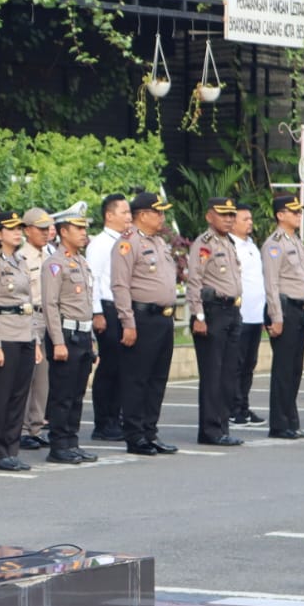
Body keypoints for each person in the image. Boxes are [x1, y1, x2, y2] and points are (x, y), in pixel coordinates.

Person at [110, 192, 179, 456]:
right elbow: (120, 284)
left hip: (163, 318)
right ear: (142, 215)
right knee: (136, 379)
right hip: (141, 318)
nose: (162, 217)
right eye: (157, 212)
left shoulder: (159, 242)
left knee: (157, 379)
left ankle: (150, 431)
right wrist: (128, 322)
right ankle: (135, 434)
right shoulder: (128, 243)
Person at [0, 211, 38, 471]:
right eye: (11, 228)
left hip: (24, 334)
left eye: (19, 228)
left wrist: (34, 339)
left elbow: (28, 303)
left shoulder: (20, 261)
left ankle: (12, 449)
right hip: (5, 335)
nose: (18, 232)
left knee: (18, 397)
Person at [43, 206, 101, 464]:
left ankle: (72, 441)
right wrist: (57, 341)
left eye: (85, 228)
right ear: (63, 232)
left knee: (77, 394)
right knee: (62, 395)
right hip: (65, 335)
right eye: (78, 228)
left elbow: (87, 305)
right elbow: (50, 305)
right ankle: (58, 445)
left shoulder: (80, 261)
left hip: (83, 334)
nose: (83, 232)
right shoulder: (55, 264)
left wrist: (93, 341)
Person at [184, 197, 244, 446]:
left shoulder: (228, 242)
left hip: (231, 311)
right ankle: (210, 430)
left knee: (229, 373)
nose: (229, 219)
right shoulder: (204, 244)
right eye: (223, 215)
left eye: (232, 215)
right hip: (212, 312)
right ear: (210, 217)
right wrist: (198, 315)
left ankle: (222, 425)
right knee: (213, 374)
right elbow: (194, 281)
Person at [261, 195, 304, 439]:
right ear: (280, 215)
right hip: (284, 309)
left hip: (299, 310)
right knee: (283, 369)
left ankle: (291, 421)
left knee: (295, 369)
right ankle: (280, 424)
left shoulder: (296, 241)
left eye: (299, 211)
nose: (298, 215)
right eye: (293, 211)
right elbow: (271, 283)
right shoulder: (275, 244)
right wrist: (276, 316)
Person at [87, 194, 130, 441]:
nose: (128, 217)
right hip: (107, 308)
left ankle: (118, 416)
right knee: (110, 368)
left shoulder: (126, 241)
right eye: (123, 212)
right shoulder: (101, 244)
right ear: (109, 215)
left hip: (124, 309)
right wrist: (96, 313)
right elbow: (92, 280)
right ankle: (104, 422)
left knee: (124, 368)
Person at [18, 207, 56, 450]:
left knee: (43, 379)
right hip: (30, 318)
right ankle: (22, 428)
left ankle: (35, 426)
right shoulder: (22, 257)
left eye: (47, 229)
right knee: (27, 377)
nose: (45, 234)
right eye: (40, 229)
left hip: (50, 317)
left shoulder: (50, 255)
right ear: (27, 230)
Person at [229, 204, 267, 427]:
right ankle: (234, 408)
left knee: (249, 365)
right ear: (233, 222)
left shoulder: (252, 245)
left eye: (251, 218)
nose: (250, 222)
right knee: (236, 364)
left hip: (255, 314)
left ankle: (243, 405)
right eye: (245, 219)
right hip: (240, 314)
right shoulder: (231, 246)